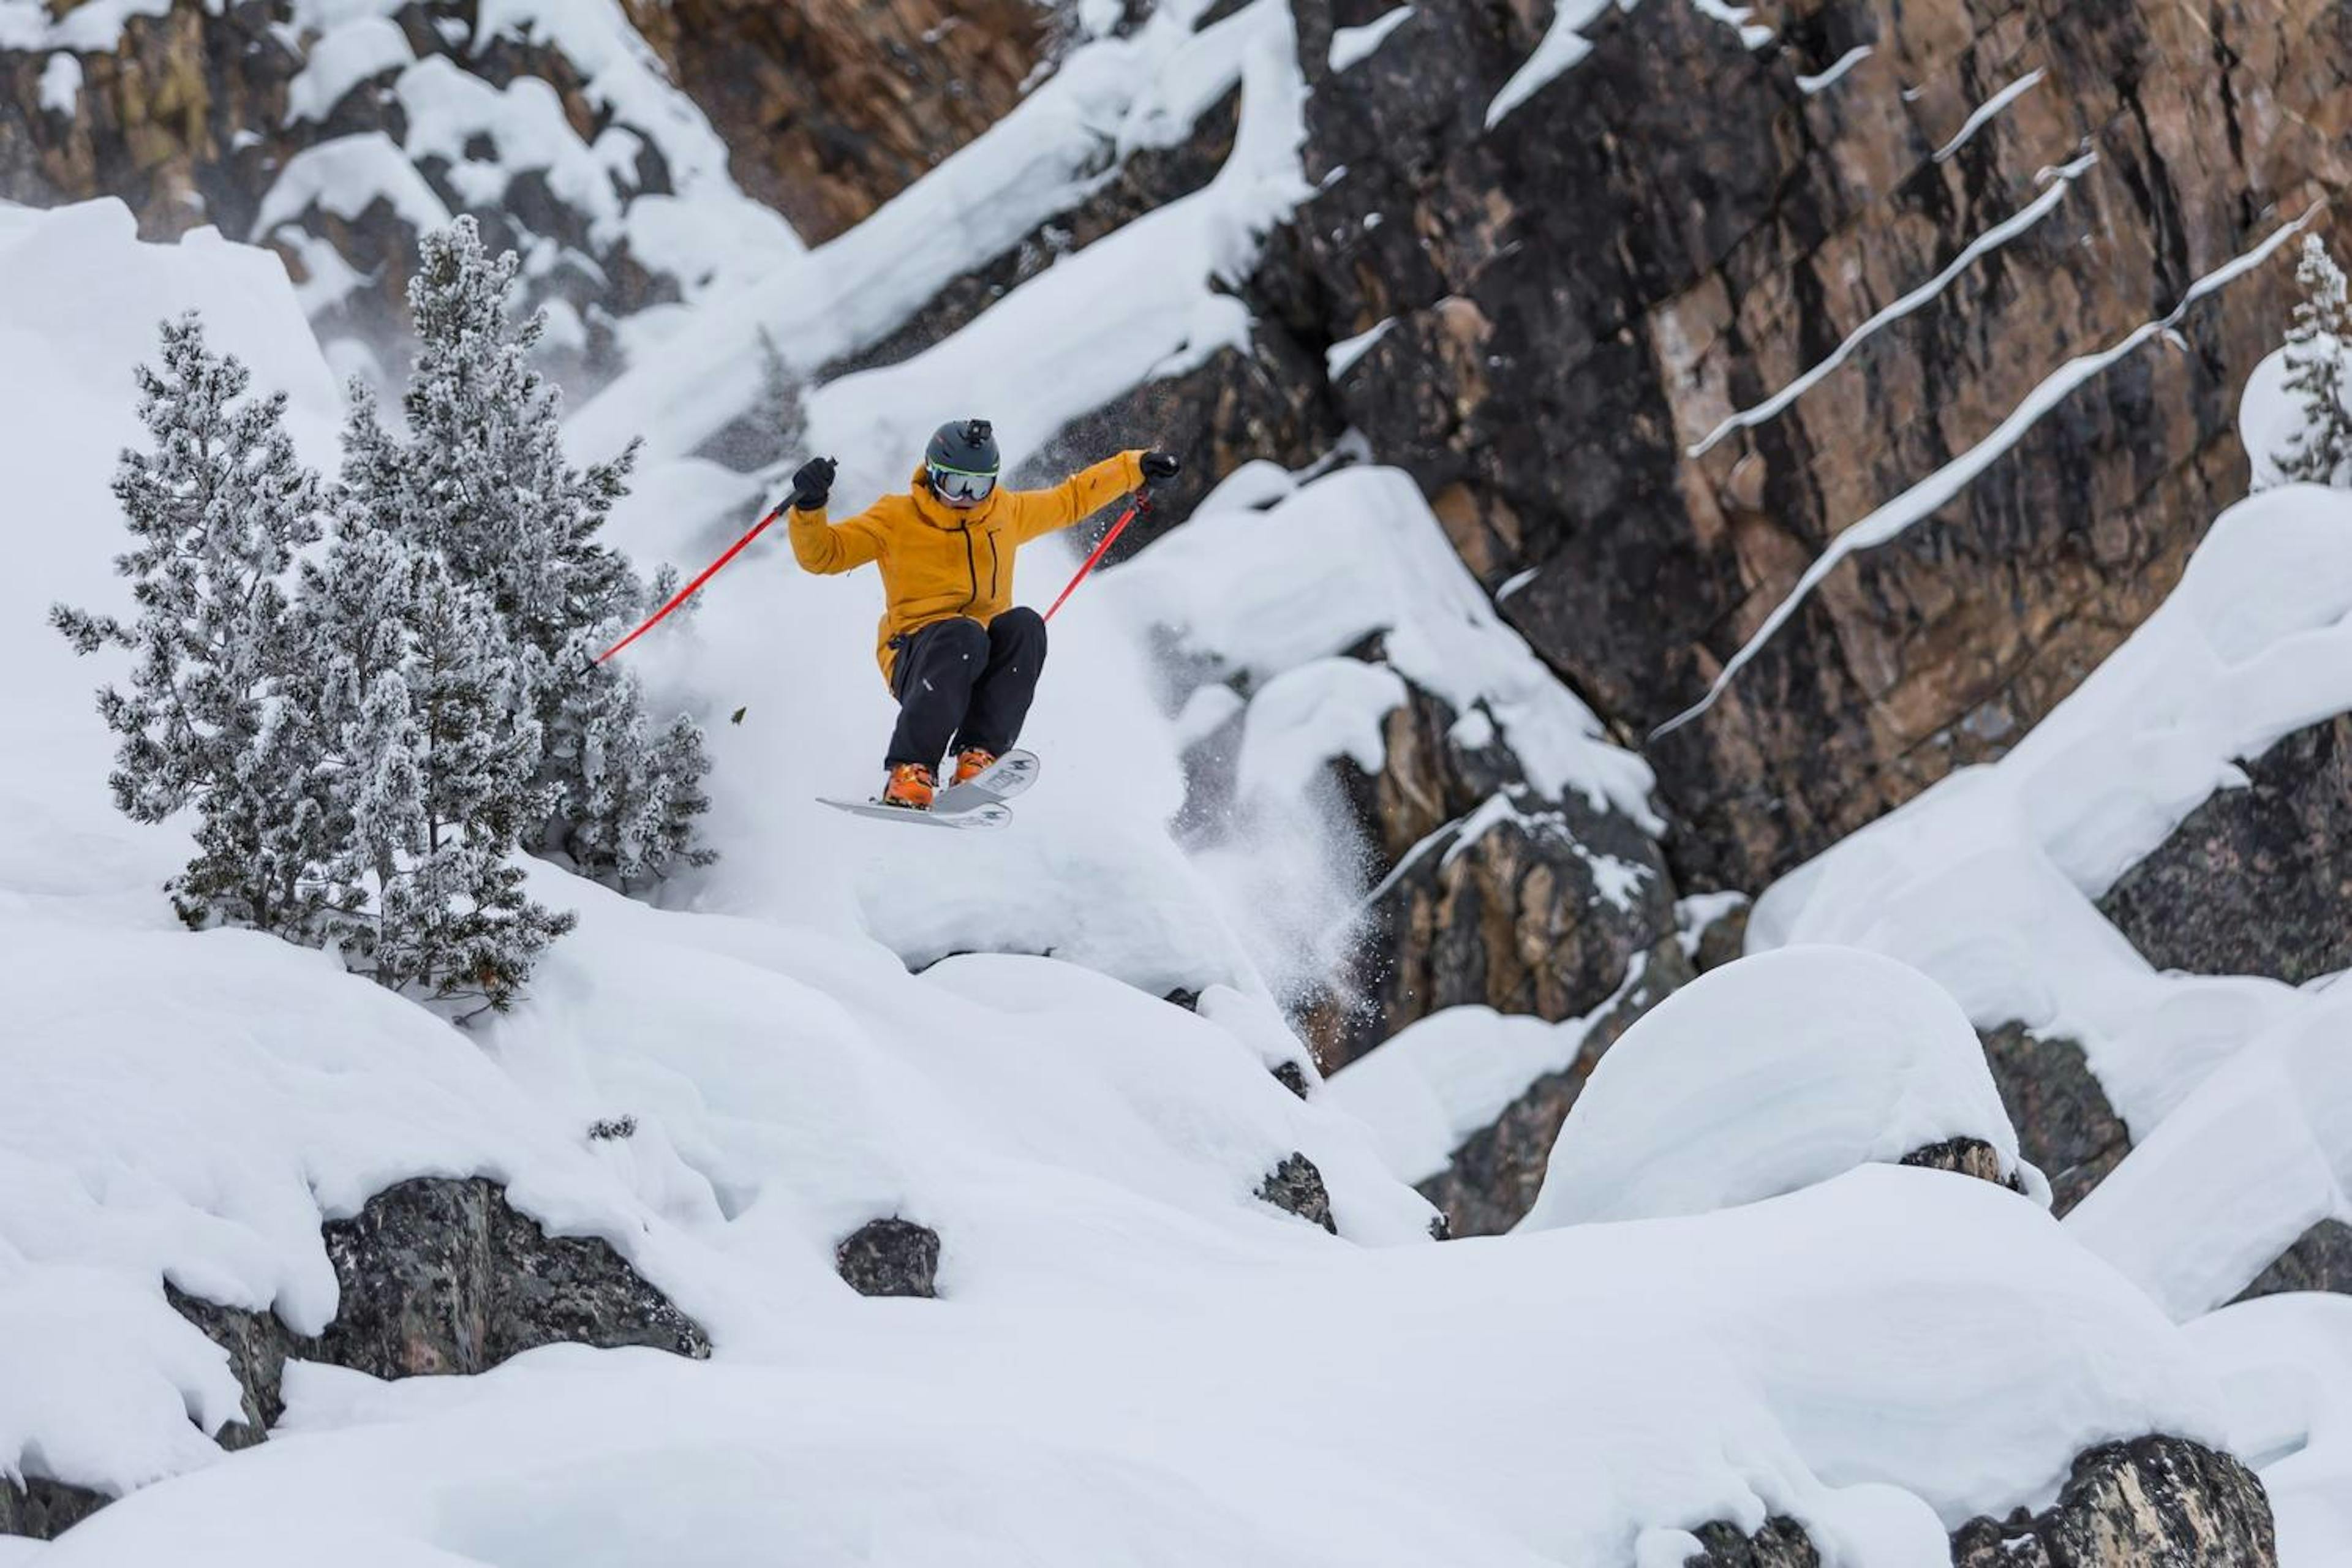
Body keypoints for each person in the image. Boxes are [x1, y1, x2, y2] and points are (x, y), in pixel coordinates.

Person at [784, 418, 1180, 809]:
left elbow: (1070, 500)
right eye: (956, 484)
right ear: (933, 475)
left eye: (980, 485)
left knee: (1025, 625)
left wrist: (1134, 468)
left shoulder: (1002, 512)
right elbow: (825, 555)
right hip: (918, 654)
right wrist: (810, 506)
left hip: (980, 655)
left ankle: (979, 757)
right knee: (964, 634)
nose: (968, 496)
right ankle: (909, 771)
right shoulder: (895, 518)